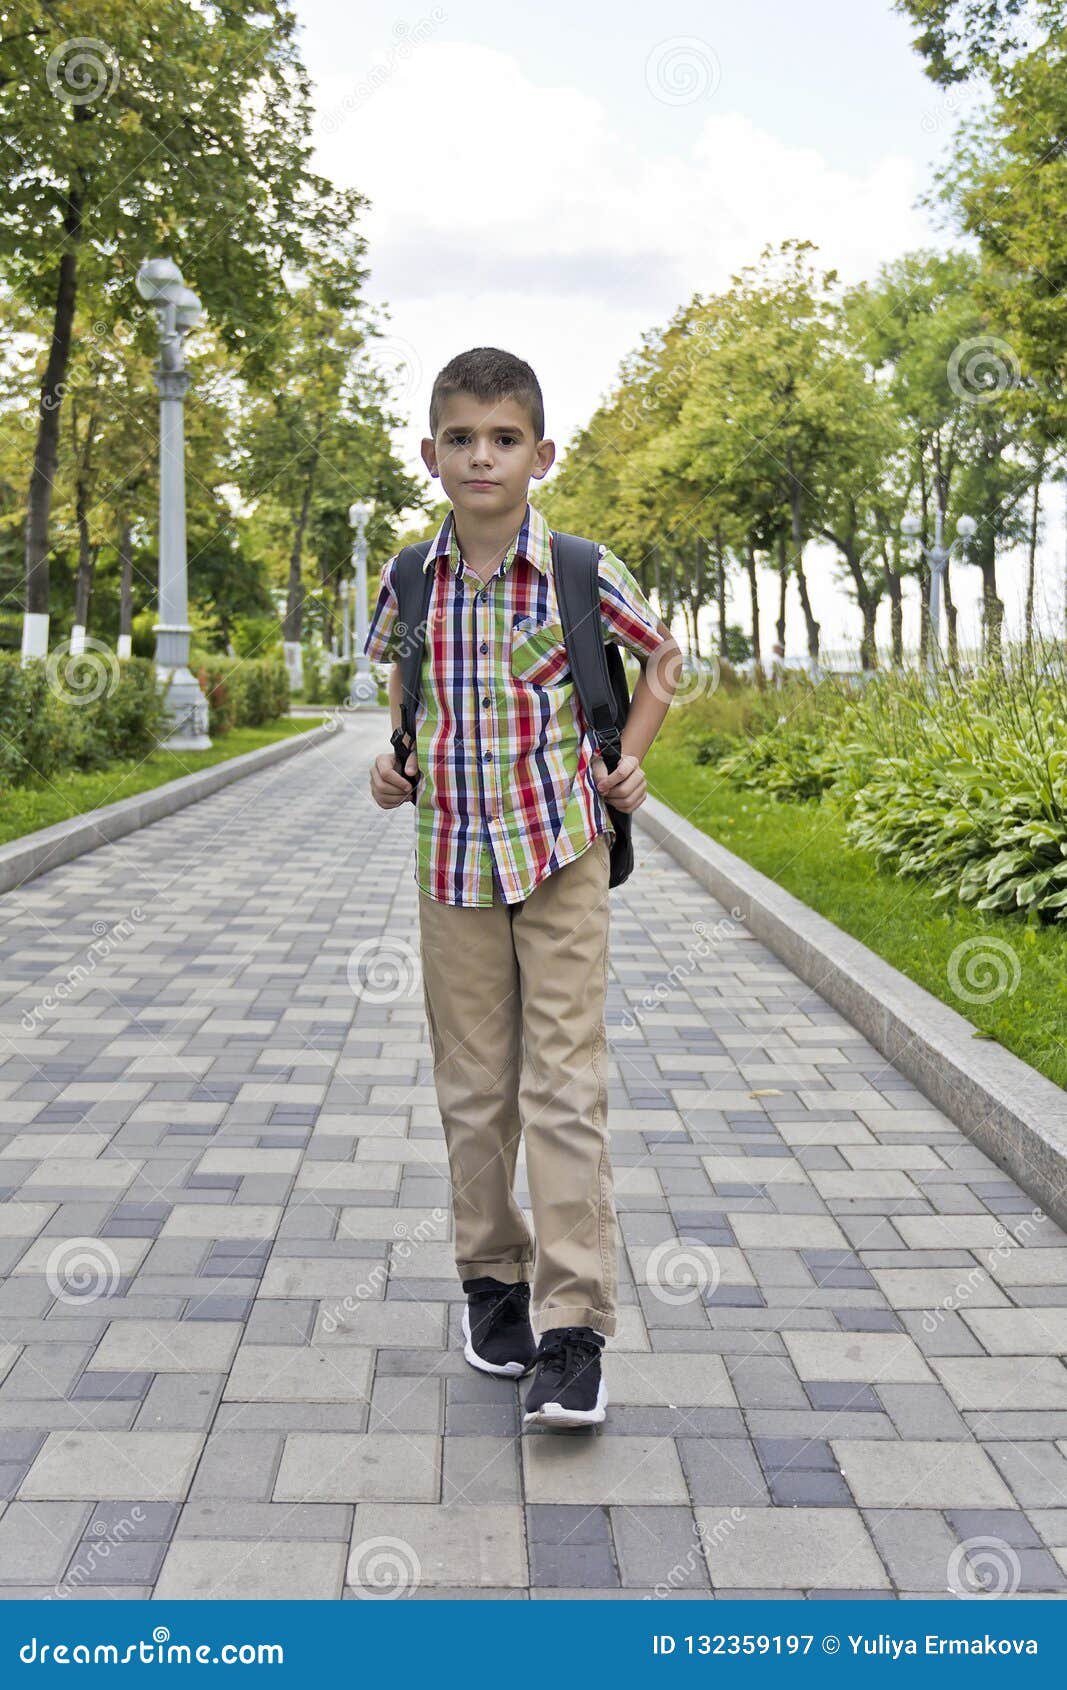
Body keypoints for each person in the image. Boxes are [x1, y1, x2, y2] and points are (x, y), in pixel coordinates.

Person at [365, 347, 679, 1430]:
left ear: (540, 454)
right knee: (472, 1090)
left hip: (559, 854)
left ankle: (573, 1325)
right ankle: (489, 1283)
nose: (481, 456)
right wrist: (390, 755)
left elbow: (663, 663)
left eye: (503, 438)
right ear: (430, 453)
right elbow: (398, 677)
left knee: (562, 1081)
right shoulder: (410, 578)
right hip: (450, 861)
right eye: (460, 437)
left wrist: (627, 754)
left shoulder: (583, 572)